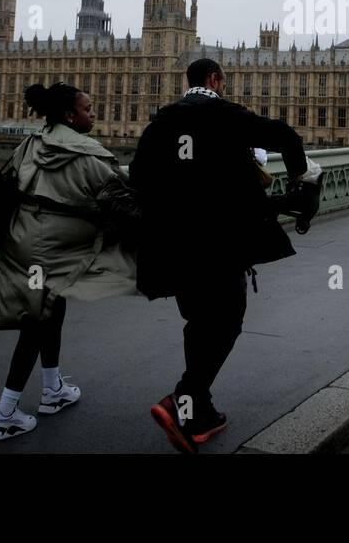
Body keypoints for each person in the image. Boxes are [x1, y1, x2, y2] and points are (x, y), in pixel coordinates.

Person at [129, 58, 307, 454]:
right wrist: (298, 183)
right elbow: (288, 138)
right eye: (224, 82)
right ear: (214, 80)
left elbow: (138, 179)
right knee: (227, 320)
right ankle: (183, 399)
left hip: (172, 246)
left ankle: (199, 411)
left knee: (199, 322)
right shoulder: (226, 115)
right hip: (219, 242)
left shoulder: (161, 121)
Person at [0, 82, 139, 442]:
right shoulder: (90, 157)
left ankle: (53, 390)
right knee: (35, 322)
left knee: (51, 308)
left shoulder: (32, 143)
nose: (93, 113)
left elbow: (11, 183)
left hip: (20, 238)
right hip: (52, 249)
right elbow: (124, 204)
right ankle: (4, 414)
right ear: (70, 115)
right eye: (88, 108)